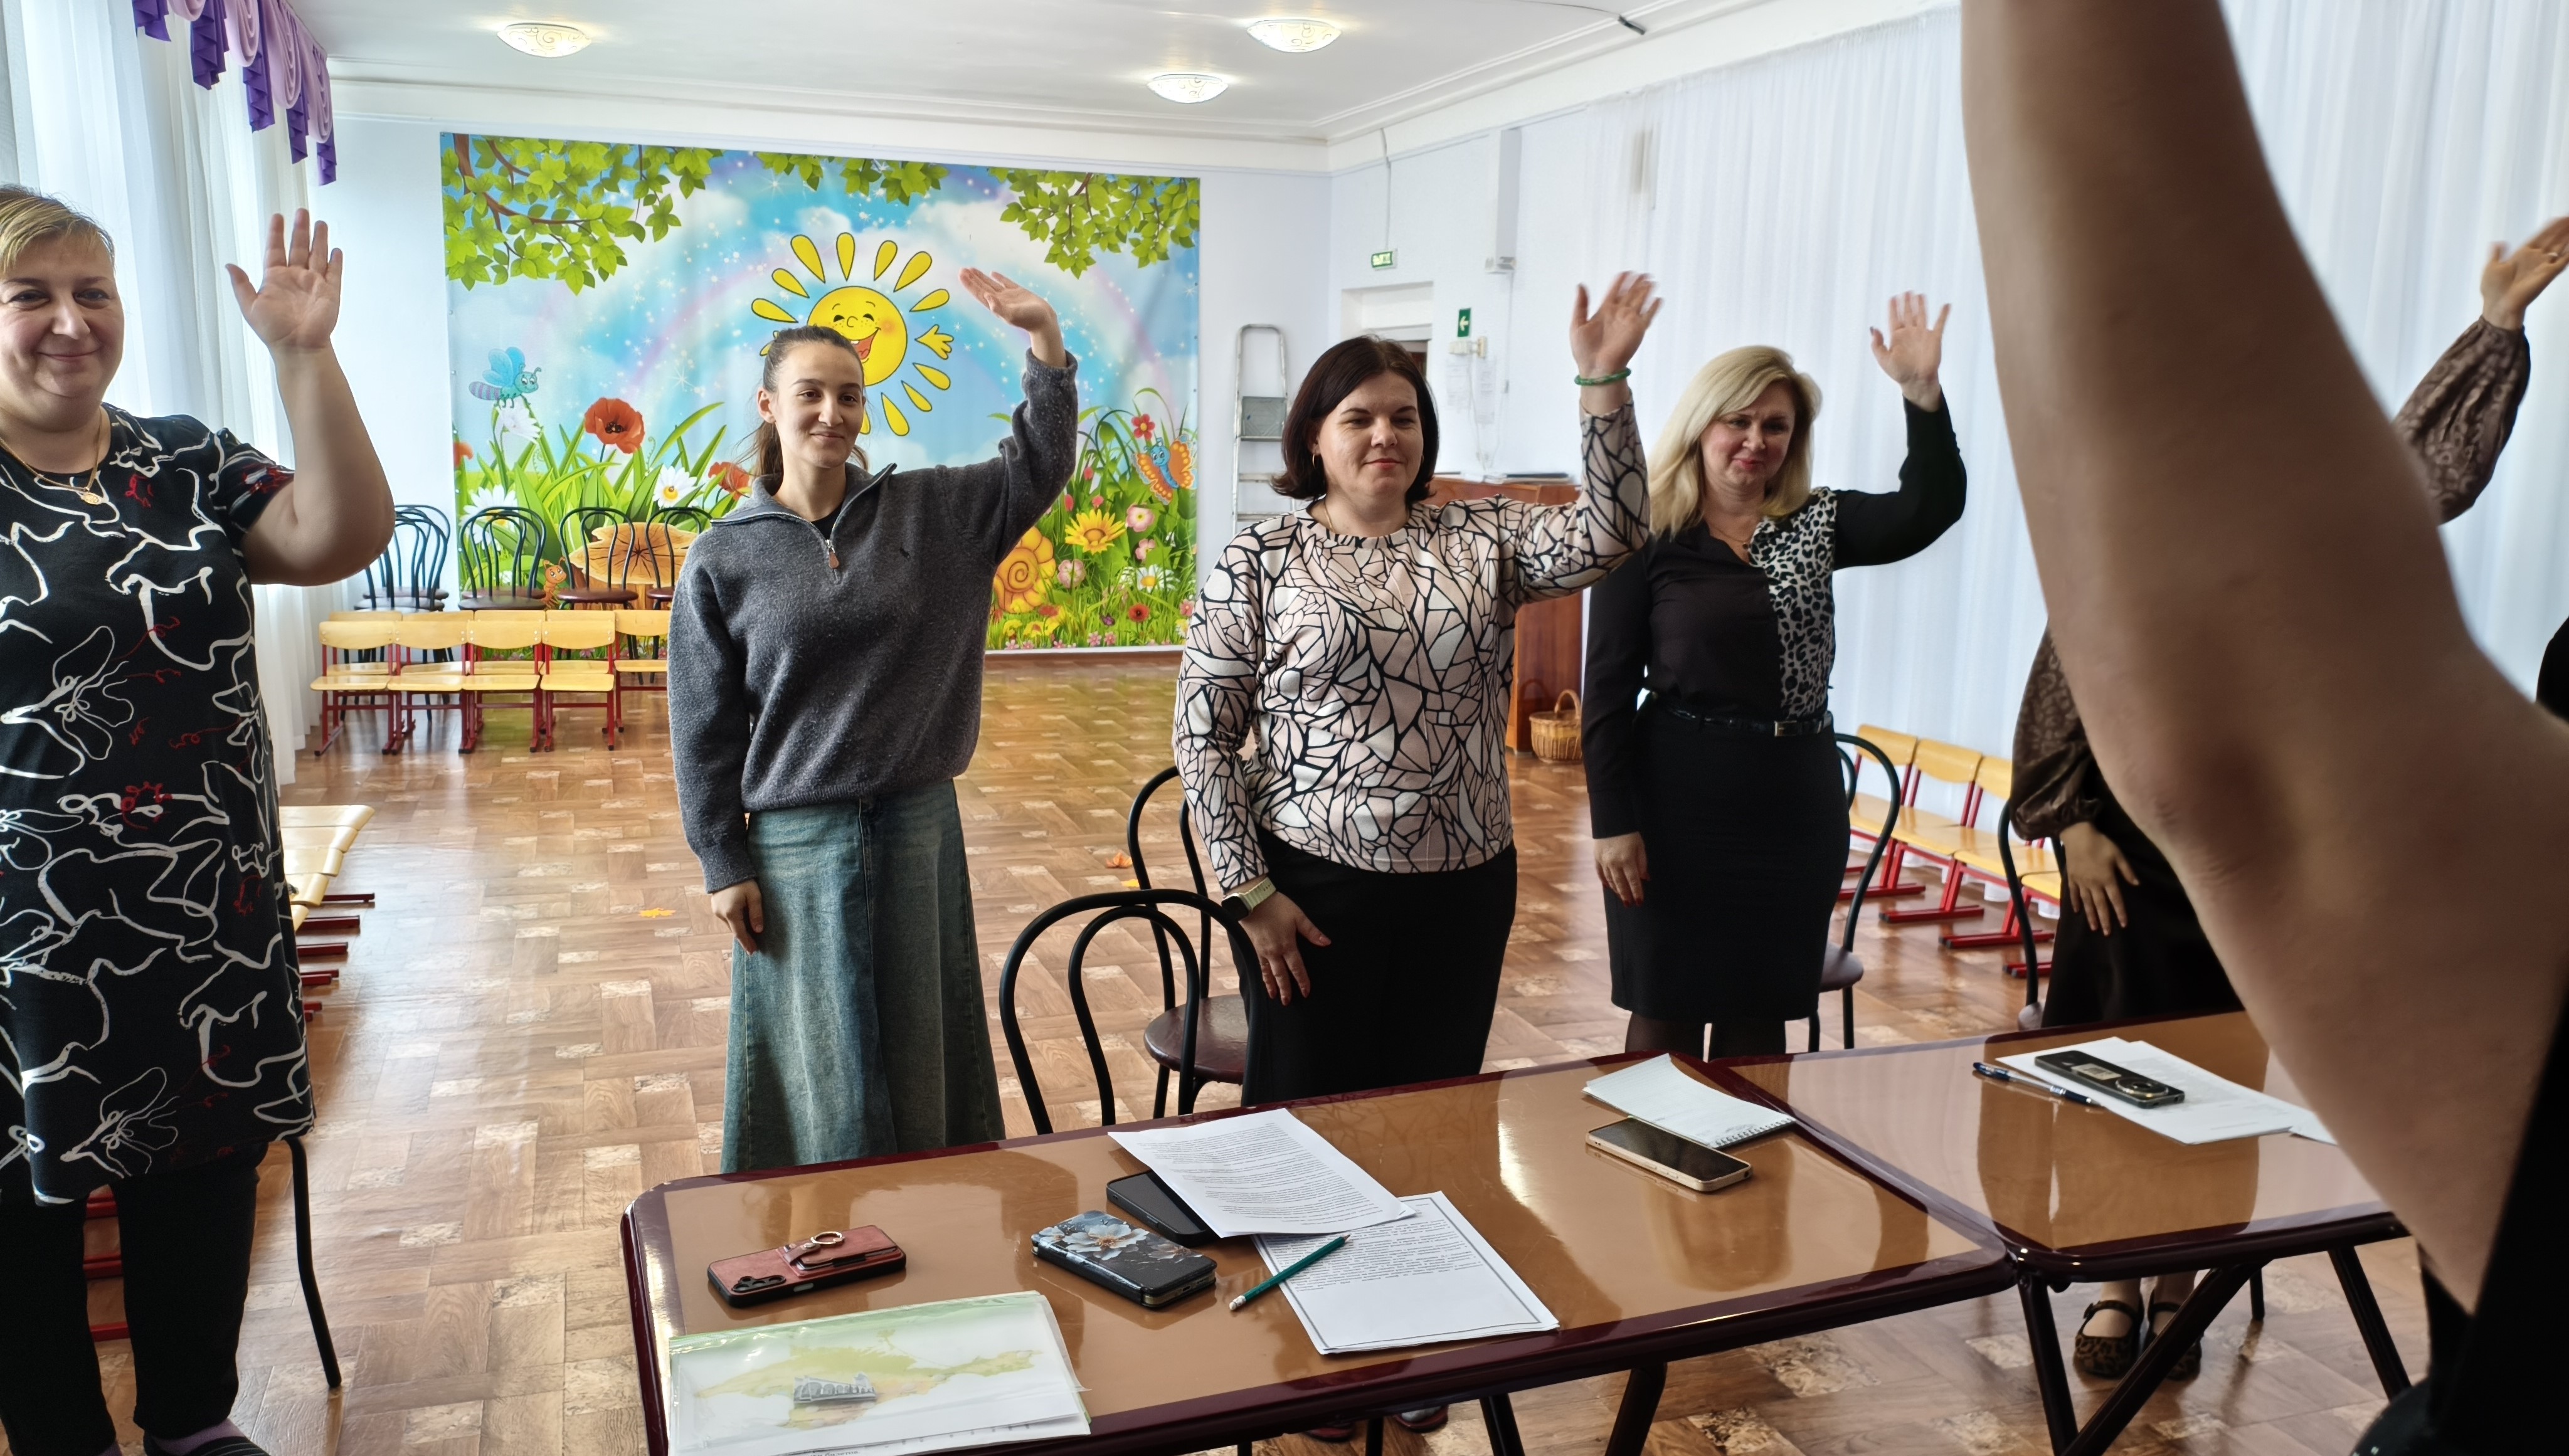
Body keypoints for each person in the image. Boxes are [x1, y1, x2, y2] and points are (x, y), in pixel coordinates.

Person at [1961, 2, 2568, 1448]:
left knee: (2215, 1090)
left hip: (2202, 902)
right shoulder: (2109, 586)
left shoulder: (2238, 577)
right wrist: (2073, 827)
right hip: (2117, 884)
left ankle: (2172, 1289)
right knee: (2106, 1082)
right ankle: (2114, 1284)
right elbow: (2073, 719)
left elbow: (2395, 492)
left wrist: (2489, 338)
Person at [1175, 282, 1654, 1442]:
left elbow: (1614, 531)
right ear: (1314, 439)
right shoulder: (1261, 556)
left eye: (1403, 416)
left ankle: (1412, 1336)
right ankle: (1309, 1354)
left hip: (1463, 885)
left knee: (1435, 1120)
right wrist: (1248, 893)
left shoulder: (1481, 538)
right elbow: (1204, 734)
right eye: (1359, 418)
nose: (1384, 435)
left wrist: (1602, 384)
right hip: (1312, 890)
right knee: (1311, 1120)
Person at [0, 192, 392, 1456]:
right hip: (20, 943)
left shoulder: (182, 462)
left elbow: (340, 533)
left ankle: (190, 1426)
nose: (70, 322)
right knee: (16, 1219)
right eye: (31, 296)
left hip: (201, 916)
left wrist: (302, 355)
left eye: (93, 292)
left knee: (204, 1175)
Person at [669, 269, 1076, 1173]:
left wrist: (1044, 341)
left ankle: (936, 1214)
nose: (832, 413)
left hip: (919, 827)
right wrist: (722, 859)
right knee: (820, 1067)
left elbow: (1040, 464)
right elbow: (702, 725)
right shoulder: (722, 557)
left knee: (925, 1046)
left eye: (849, 396)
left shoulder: (935, 513)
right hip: (794, 844)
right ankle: (821, 1223)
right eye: (809, 394)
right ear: (769, 405)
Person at [1584, 293, 1966, 1061]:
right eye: (1738, 421)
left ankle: (1750, 1137)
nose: (1755, 442)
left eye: (1776, 426)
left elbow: (1929, 508)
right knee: (1666, 1006)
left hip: (1794, 801)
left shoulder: (1816, 522)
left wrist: (1921, 396)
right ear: (1702, 425)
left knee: (1760, 1014)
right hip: (1676, 802)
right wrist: (1612, 822)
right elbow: (1606, 691)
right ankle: (1650, 1139)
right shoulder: (1647, 534)